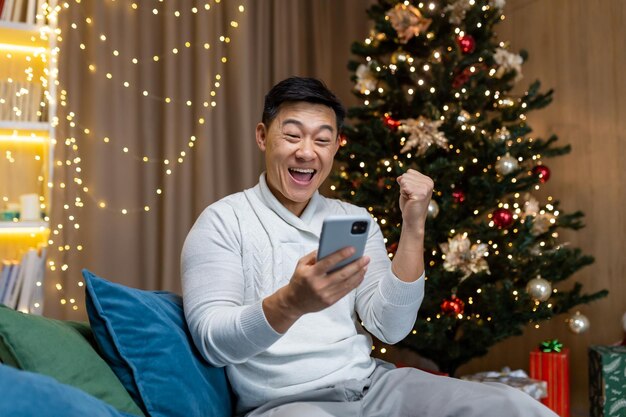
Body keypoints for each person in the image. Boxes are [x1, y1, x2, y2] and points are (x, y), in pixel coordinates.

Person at [181, 77, 557, 417]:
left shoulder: (351, 219)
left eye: (322, 139)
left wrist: (413, 225)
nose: (307, 152)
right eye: (292, 136)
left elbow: (390, 328)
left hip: (374, 389)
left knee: (511, 405)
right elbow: (213, 342)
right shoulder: (223, 221)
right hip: (286, 405)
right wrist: (291, 303)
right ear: (263, 136)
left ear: (336, 146)